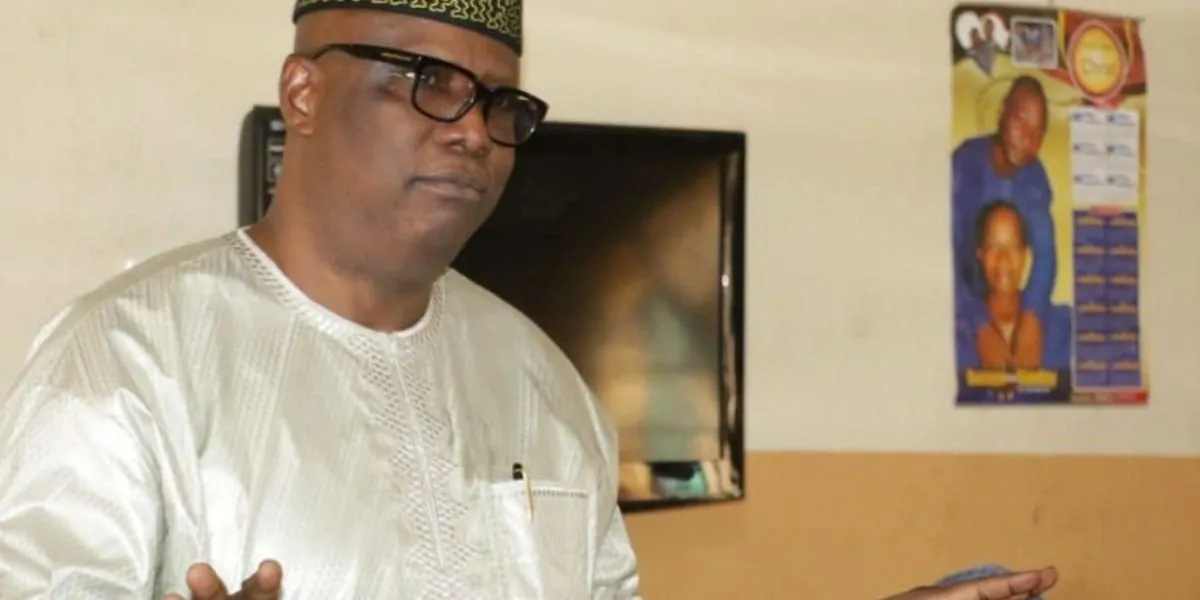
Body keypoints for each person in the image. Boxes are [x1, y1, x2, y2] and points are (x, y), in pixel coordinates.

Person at [0, 3, 1059, 600]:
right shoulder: (120, 368)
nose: (474, 131)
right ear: (305, 93)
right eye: (427, 82)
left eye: (500, 102)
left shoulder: (542, 383)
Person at [952, 75, 1055, 369]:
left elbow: (1046, 255)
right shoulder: (964, 165)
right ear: (1001, 111)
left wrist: (1032, 317)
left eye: (1037, 132)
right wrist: (980, 326)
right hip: (960, 304)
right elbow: (943, 253)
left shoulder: (1035, 178)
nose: (1027, 139)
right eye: (1020, 121)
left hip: (1008, 308)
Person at [973, 200, 1044, 371]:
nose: (1003, 259)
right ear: (980, 254)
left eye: (1012, 246)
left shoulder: (1060, 327)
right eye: (993, 247)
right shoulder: (961, 332)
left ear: (1025, 254)